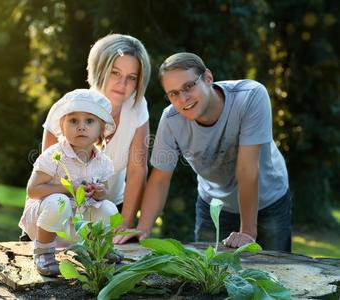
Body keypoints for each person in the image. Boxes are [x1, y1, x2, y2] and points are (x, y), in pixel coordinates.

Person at [117, 52, 292, 252]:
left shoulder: (250, 96)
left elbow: (247, 169)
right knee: (210, 277)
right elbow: (160, 178)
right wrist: (143, 228)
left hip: (269, 201)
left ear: (208, 78)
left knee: (275, 273)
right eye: (173, 93)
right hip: (214, 206)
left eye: (188, 86)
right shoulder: (171, 119)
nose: (183, 99)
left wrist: (248, 233)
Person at [42, 34, 151, 242]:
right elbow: (46, 177)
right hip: (62, 210)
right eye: (115, 73)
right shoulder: (67, 109)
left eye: (132, 77)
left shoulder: (137, 107)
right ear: (99, 70)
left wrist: (126, 223)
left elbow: (138, 170)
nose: (122, 84)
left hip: (110, 211)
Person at [18, 89, 119, 276]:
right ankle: (44, 252)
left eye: (89, 121)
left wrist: (99, 191)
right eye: (73, 121)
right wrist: (68, 188)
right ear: (62, 127)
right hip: (46, 219)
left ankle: (98, 249)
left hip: (76, 223)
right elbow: (33, 191)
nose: (81, 127)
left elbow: (106, 193)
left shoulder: (103, 161)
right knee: (59, 201)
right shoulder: (54, 155)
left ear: (101, 129)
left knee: (108, 208)